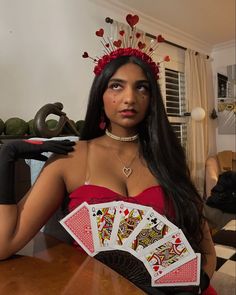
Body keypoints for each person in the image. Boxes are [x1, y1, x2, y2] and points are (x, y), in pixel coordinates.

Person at [0, 15, 216, 295]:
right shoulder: (70, 159)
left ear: (151, 99)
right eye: (116, 85)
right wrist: (7, 156)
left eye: (142, 87)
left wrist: (201, 282)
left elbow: (205, 247)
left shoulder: (169, 160)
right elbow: (4, 244)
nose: (129, 98)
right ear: (100, 94)